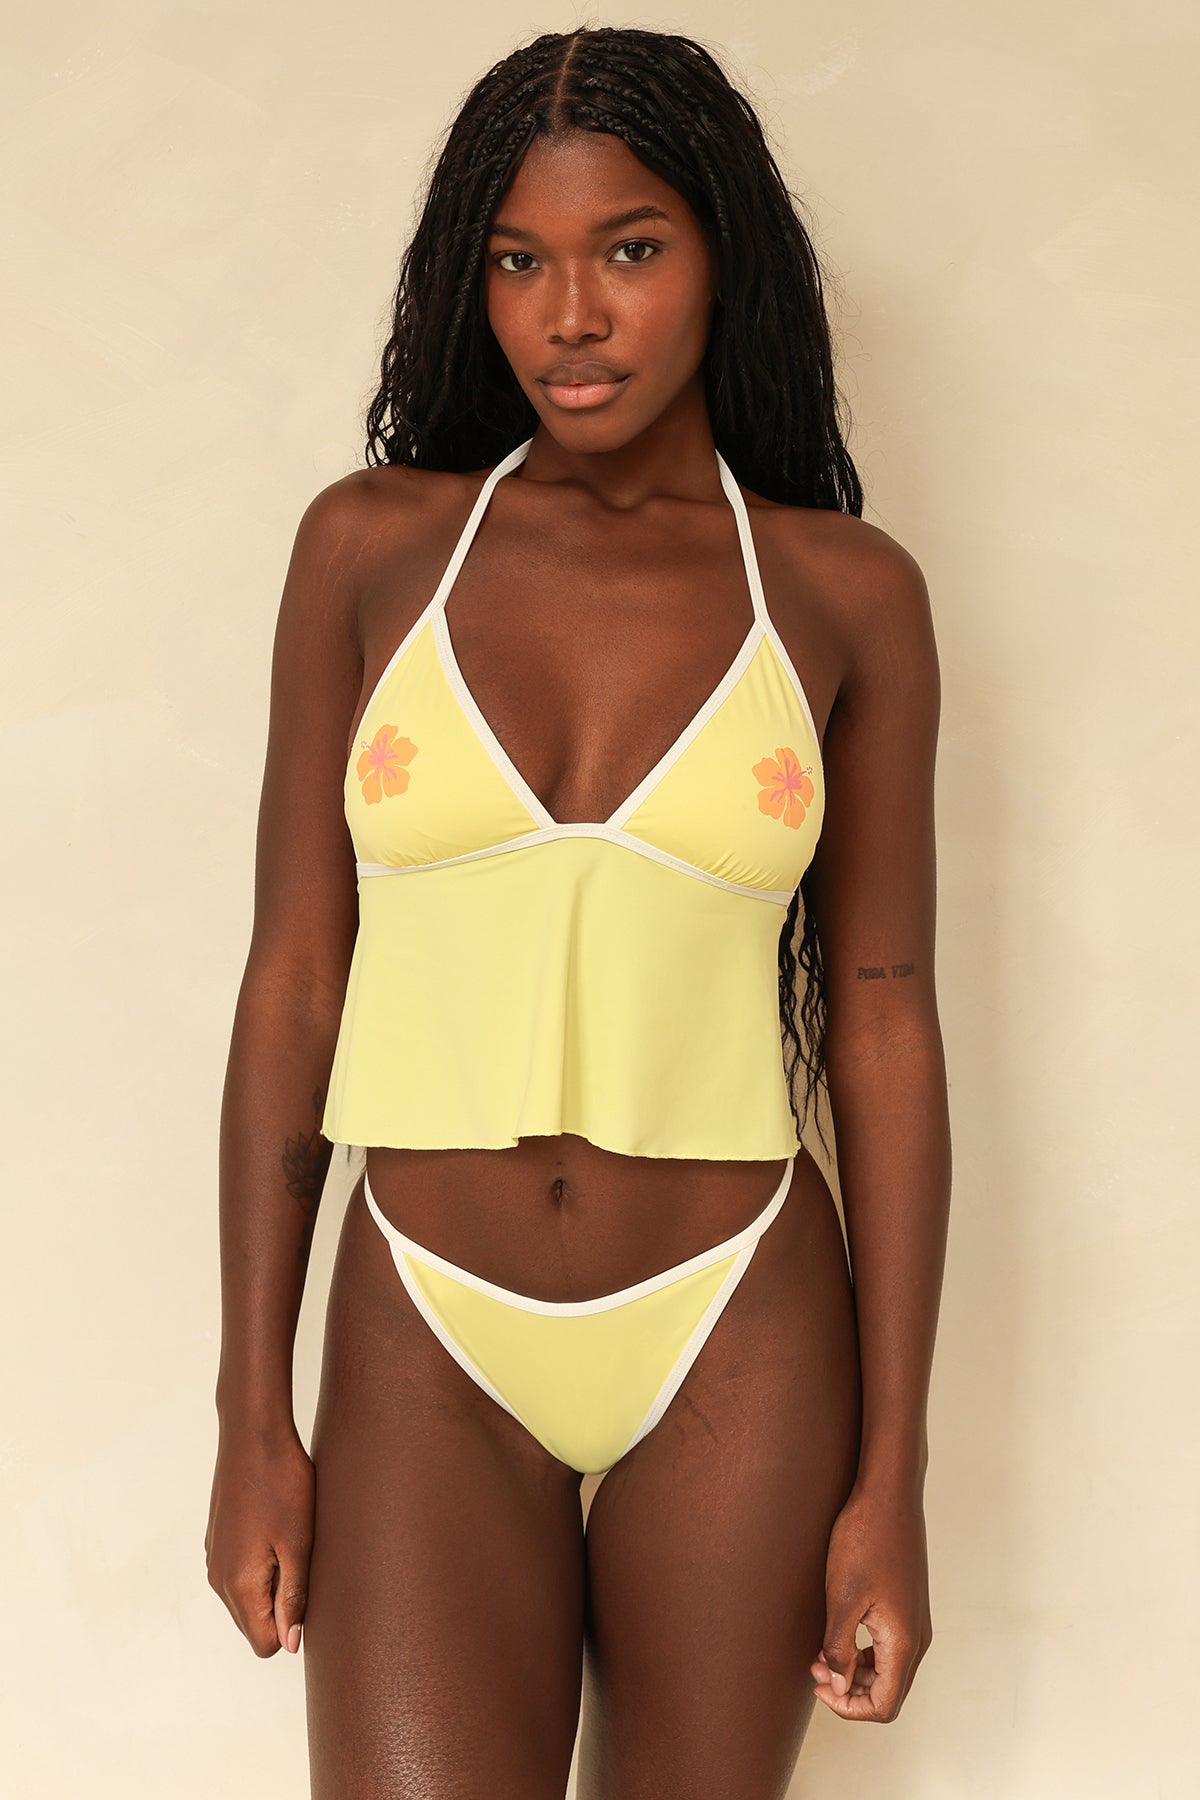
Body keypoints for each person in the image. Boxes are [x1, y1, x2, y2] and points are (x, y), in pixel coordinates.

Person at [205, 25, 951, 1798]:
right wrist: (250, 1410)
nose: (572, 316)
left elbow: (885, 1021)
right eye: (519, 262)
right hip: (425, 1318)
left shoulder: (845, 594)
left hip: (739, 1322)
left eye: (628, 248)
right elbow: (295, 981)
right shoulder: (369, 550)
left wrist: (895, 1476)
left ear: (721, 258)